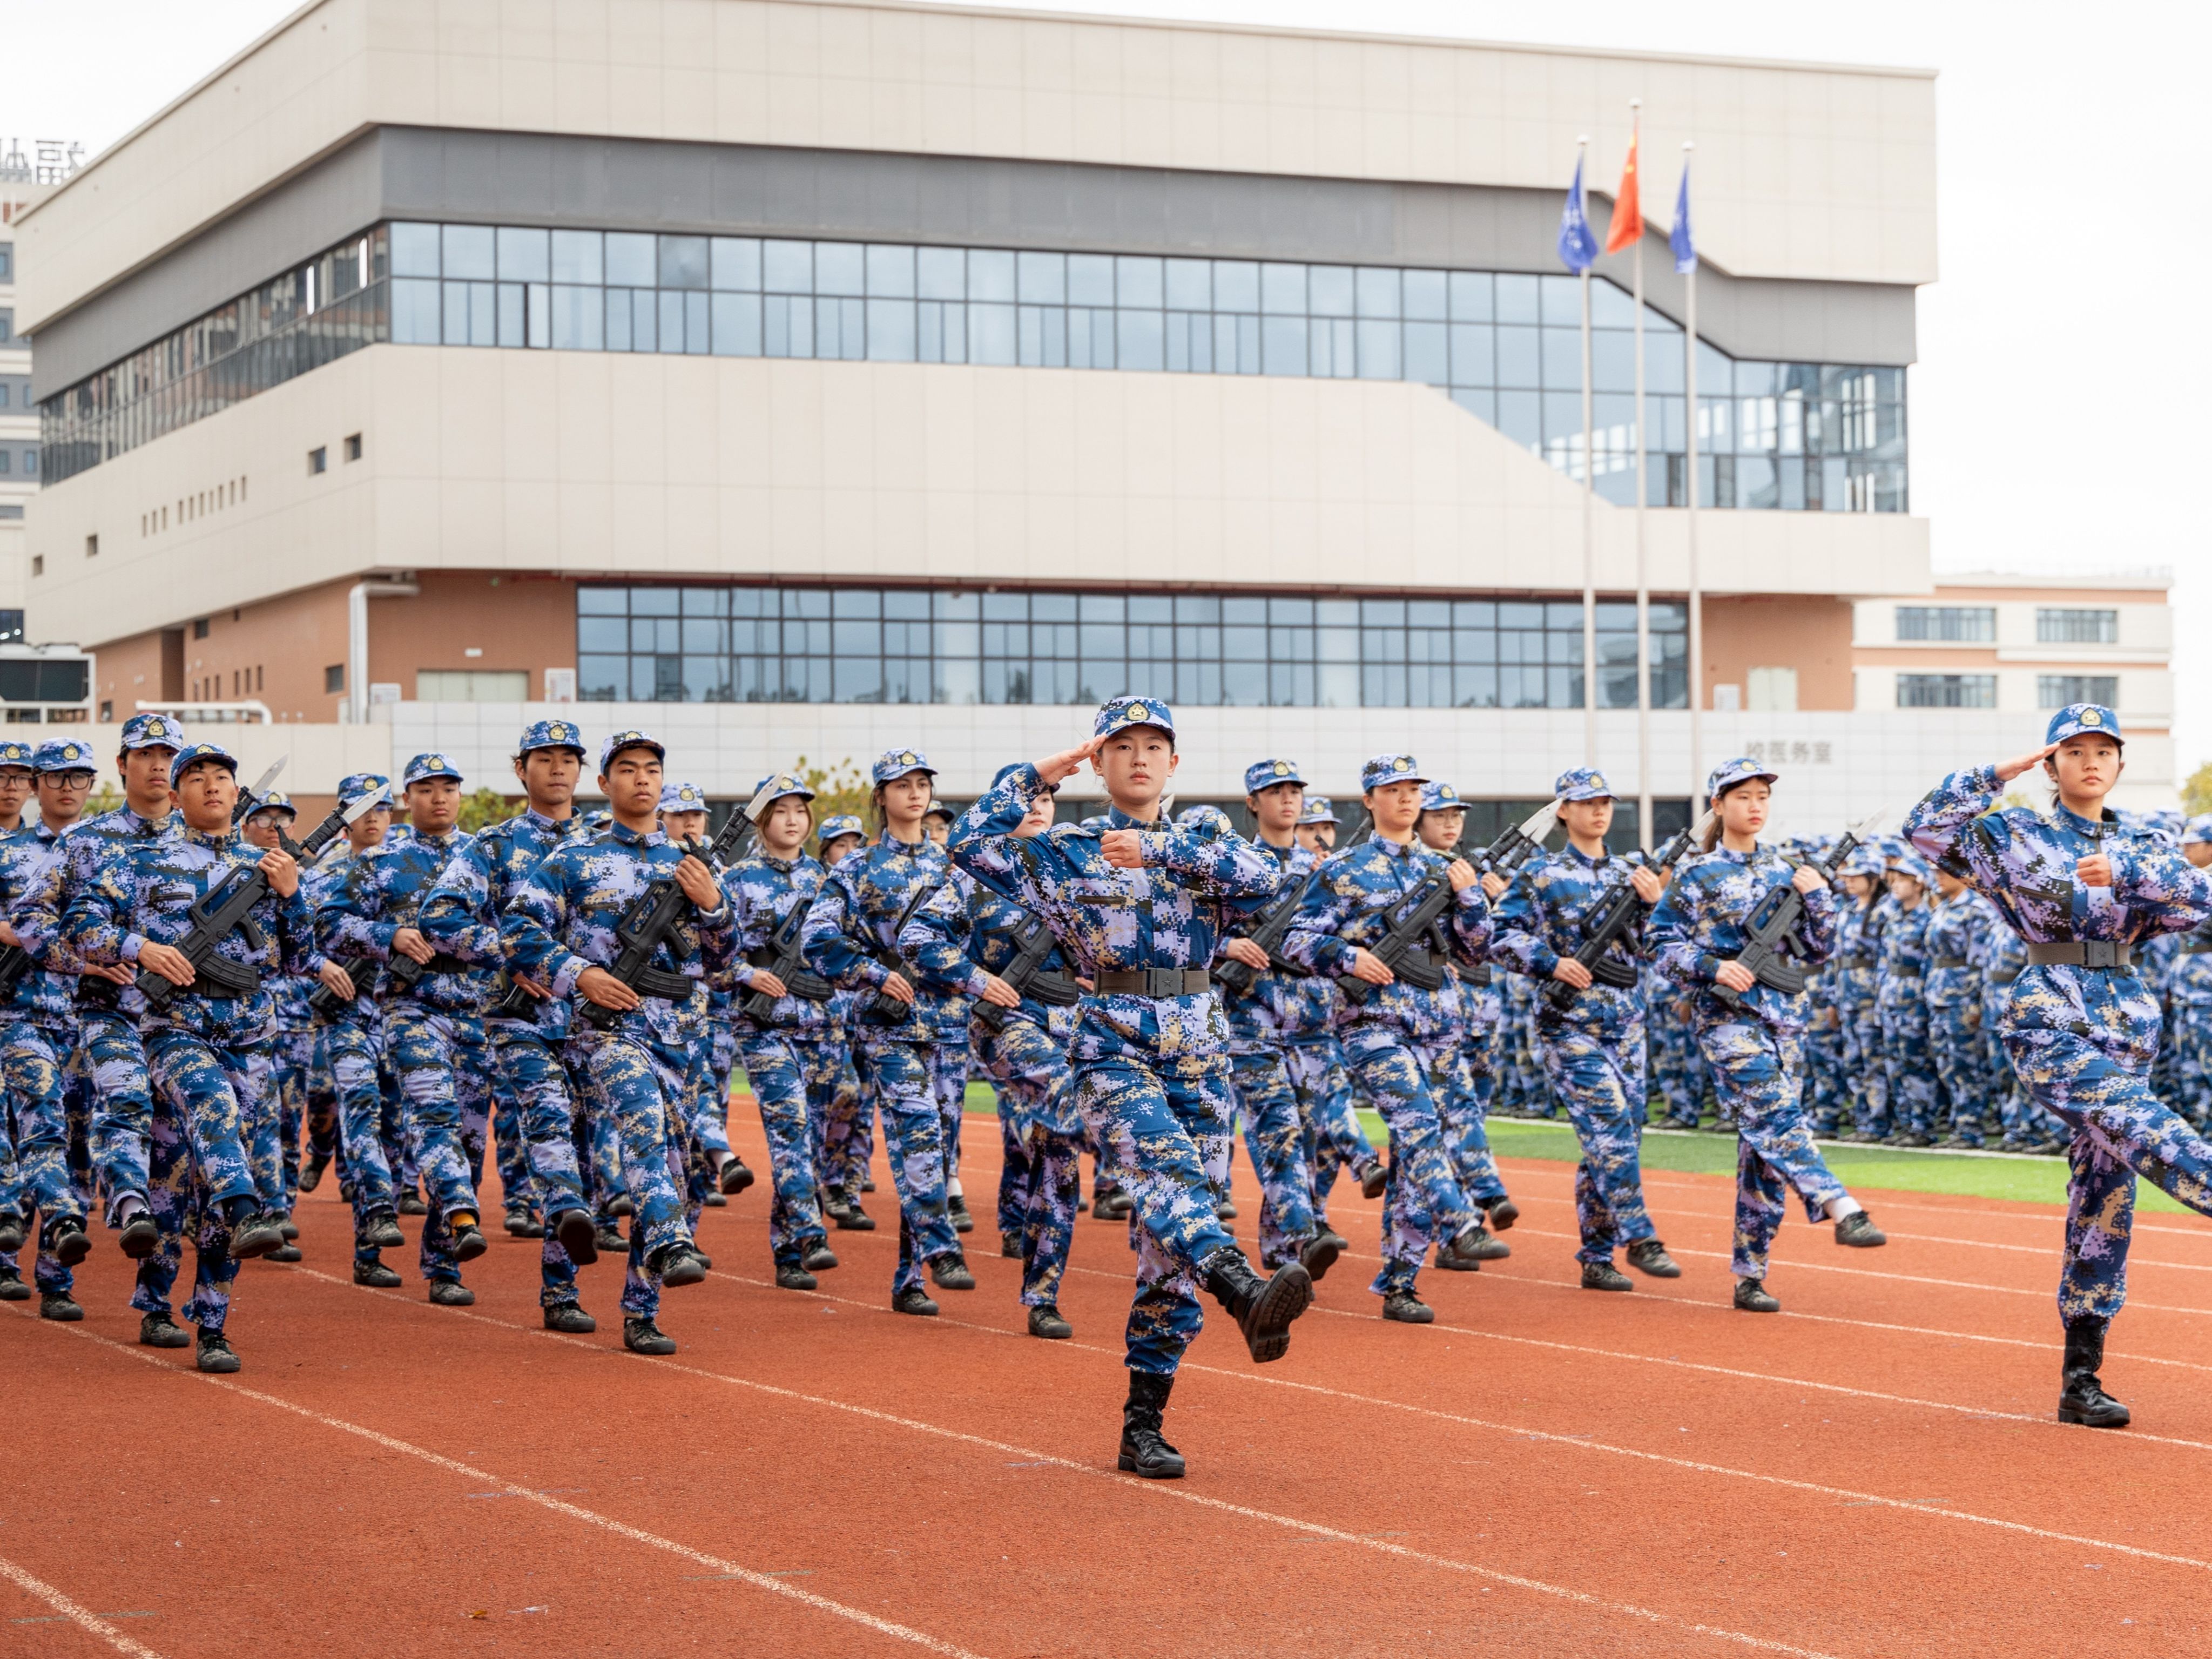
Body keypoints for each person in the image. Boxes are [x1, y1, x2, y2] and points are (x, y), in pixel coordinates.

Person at [949, 697, 1311, 1481]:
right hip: (1113, 1037)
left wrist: (1162, 857)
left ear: (1174, 764)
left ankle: (1143, 1422)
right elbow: (970, 845)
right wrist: (1039, 773)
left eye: (1155, 746)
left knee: (1167, 1245)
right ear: (1102, 763)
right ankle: (1242, 1284)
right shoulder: (1069, 850)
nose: (1140, 758)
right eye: (1122, 747)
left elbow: (1270, 878)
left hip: (1201, 1045)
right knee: (1170, 1181)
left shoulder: (1202, 844)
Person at [1904, 703, 2212, 1427]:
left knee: (2105, 1195)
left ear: (2122, 763)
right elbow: (1924, 830)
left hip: (2129, 1018)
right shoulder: (2012, 835)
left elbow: (2199, 899)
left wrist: (2128, 869)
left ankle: (2082, 1378)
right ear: (2053, 762)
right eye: (2074, 750)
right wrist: (1996, 774)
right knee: (2140, 1123)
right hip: (2050, 1013)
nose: (2091, 760)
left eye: (2104, 749)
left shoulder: (2145, 838)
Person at [65, 743, 311, 1373]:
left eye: (221, 777)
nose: (210, 786)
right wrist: (138, 946)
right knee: (213, 1108)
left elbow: (299, 960)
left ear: (237, 794)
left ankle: (206, 1321)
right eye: (194, 777)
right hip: (173, 1025)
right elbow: (83, 924)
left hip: (250, 1033)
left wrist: (293, 896)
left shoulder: (269, 866)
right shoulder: (140, 859)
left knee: (180, 1182)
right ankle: (245, 1207)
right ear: (175, 797)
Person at [503, 731, 719, 1356]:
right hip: (602, 1031)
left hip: (679, 1035)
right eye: (627, 770)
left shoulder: (695, 862)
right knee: (641, 1128)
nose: (642, 780)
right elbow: (519, 931)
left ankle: (640, 1310)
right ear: (605, 784)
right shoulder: (573, 857)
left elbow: (726, 958)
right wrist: (580, 974)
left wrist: (713, 908)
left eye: (652, 769)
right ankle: (672, 1241)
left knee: (678, 1171)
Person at [1648, 757, 1886, 1315]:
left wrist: (1819, 896)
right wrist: (1711, 966)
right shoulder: (1695, 875)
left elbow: (1820, 952)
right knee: (1778, 1117)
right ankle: (1839, 1203)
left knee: (1763, 1149)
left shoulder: (1788, 871)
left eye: (1762, 797)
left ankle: (1750, 1272)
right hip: (1727, 1020)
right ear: (1718, 805)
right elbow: (1659, 945)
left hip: (1785, 1021)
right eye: (1742, 797)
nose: (1755, 806)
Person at [1283, 753, 1495, 1324]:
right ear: (1368, 800)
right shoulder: (1343, 870)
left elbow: (1476, 950)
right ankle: (1460, 1222)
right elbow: (1295, 940)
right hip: (1372, 1024)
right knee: (1417, 1123)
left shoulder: (1445, 869)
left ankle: (1400, 1281)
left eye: (1412, 790)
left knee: (1415, 1147)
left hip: (1438, 1024)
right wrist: (1347, 955)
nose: (1405, 799)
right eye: (1392, 789)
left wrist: (1472, 896)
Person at [420, 718, 605, 1333]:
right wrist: (511, 951)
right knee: (474, 1141)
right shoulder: (494, 846)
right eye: (543, 758)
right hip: (506, 1019)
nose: (557, 768)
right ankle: (445, 1262)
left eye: (568, 758)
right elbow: (439, 917)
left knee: (575, 1149)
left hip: (588, 1020)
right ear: (519, 768)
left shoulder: (607, 843)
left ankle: (561, 1291)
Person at [1488, 767, 1680, 1290]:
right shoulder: (1541, 874)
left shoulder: (1632, 873)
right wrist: (1549, 962)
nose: (1598, 810)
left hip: (1626, 1023)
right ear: (1563, 811)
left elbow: (1657, 947)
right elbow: (1499, 936)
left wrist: (1651, 905)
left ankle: (1596, 1256)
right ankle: (1639, 1236)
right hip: (1569, 1024)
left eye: (1604, 802)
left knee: (1617, 1139)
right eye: (1586, 802)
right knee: (1610, 1127)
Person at [801, 750, 974, 1314]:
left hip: (948, 1025)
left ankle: (910, 1279)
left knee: (937, 1146)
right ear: (880, 796)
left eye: (923, 782)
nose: (915, 792)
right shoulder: (856, 868)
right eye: (902, 785)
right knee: (919, 1132)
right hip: (888, 1025)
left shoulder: (957, 867)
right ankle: (944, 1248)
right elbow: (819, 939)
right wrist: (874, 975)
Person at [320, 753, 494, 1306]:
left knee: (468, 1137)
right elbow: (329, 923)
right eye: (426, 788)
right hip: (407, 1008)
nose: (439, 797)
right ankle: (399, 1229)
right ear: (409, 799)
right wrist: (388, 936)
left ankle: (444, 1264)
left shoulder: (486, 857)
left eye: (449, 787)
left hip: (473, 1012)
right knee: (421, 1116)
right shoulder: (380, 862)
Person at [929, 763, 1084, 1337]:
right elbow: (922, 937)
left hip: (1073, 1028)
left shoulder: (1074, 873)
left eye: (1048, 798)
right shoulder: (973, 878)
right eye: (1029, 797)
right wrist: (976, 979)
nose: (1040, 806)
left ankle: (1043, 1294)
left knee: (1060, 1161)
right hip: (1010, 1026)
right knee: (1055, 1119)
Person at [1211, 760, 1335, 1282]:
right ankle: (1305, 1233)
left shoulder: (1325, 869)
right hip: (1250, 1021)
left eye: (1294, 791)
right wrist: (1226, 946)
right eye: (1274, 792)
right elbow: (1190, 930)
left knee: (1314, 1139)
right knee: (1277, 1131)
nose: (1288, 800)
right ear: (1252, 803)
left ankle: (1281, 1253)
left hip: (1311, 1020)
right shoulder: (1232, 865)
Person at [720, 772, 842, 1290]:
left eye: (800, 811)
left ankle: (788, 1251)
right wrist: (749, 974)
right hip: (764, 1025)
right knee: (789, 1126)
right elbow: (711, 952)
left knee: (810, 1139)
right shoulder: (738, 878)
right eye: (781, 811)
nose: (793, 820)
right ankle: (812, 1232)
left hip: (822, 1024)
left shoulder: (827, 879)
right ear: (763, 819)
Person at [0, 739, 102, 1320]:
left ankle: (58, 1276)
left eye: (78, 778)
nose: (66, 787)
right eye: (55, 777)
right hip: (23, 1013)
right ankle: (12, 1251)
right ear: (40, 786)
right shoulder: (13, 852)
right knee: (36, 1130)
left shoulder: (106, 852)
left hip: (91, 1018)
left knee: (83, 1148)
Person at [1874, 853, 1939, 1147]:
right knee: (1895, 1063)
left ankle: (1922, 1124)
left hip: (1914, 999)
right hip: (1891, 998)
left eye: (1903, 879)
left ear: (1919, 884)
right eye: (1894, 879)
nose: (1896, 885)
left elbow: (1931, 964)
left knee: (1916, 1062)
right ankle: (1905, 1122)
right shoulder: (1893, 917)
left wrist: (1927, 1002)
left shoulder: (1928, 918)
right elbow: (1883, 962)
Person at [1924, 864, 1990, 1149]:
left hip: (1961, 997)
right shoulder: (1944, 906)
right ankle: (1958, 1123)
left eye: (1942, 872)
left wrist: (1975, 1003)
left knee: (1966, 1065)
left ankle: (1970, 1128)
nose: (1937, 877)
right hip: (1939, 994)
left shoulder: (1976, 909)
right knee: (1947, 1064)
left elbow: (1979, 961)